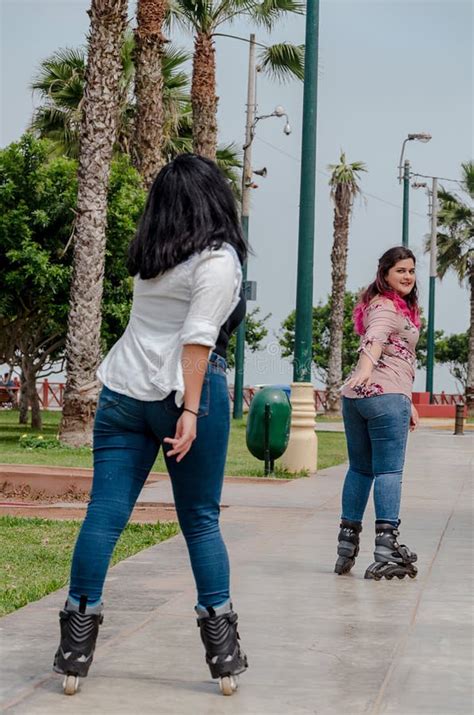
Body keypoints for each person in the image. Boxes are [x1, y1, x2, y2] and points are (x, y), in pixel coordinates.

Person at [53, 155, 248, 696]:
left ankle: (74, 650)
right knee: (201, 521)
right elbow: (198, 339)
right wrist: (188, 411)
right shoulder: (218, 260)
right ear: (217, 198)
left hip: (122, 392)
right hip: (180, 395)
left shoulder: (152, 255)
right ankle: (223, 653)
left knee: (104, 517)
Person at [335, 246, 420, 581]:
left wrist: (407, 399)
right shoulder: (386, 307)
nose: (408, 276)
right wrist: (366, 368)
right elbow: (375, 339)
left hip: (358, 398)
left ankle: (346, 542)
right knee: (388, 472)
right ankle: (386, 546)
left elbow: (395, 356)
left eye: (411, 270)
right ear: (385, 273)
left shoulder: (379, 303)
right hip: (382, 396)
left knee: (360, 470)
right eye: (401, 270)